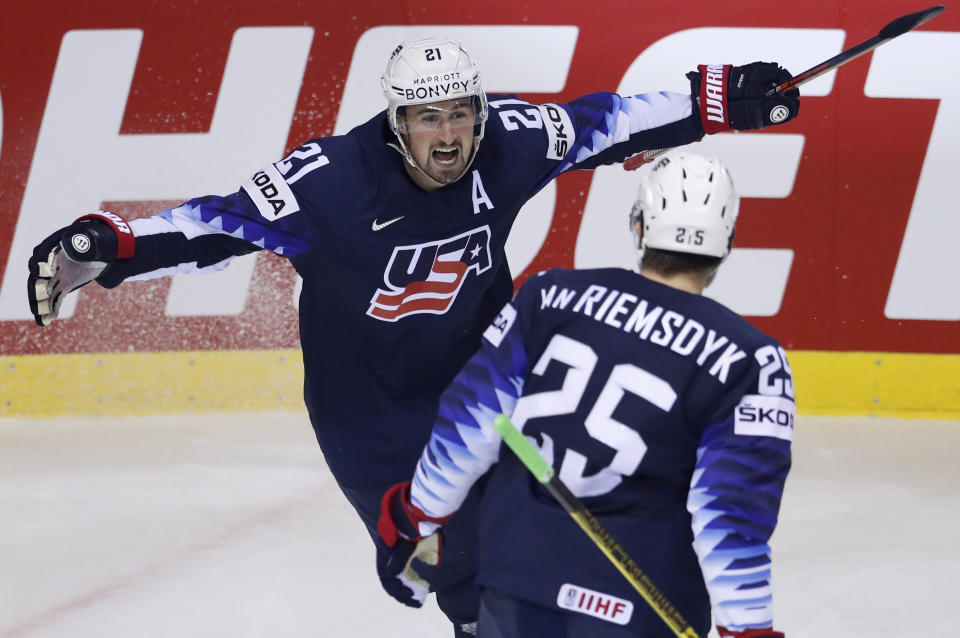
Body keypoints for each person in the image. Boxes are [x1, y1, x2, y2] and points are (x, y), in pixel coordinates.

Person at [26, 36, 799, 636]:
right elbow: (214, 223)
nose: (451, 133)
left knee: (530, 545)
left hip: (478, 385)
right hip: (368, 418)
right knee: (450, 569)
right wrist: (113, 245)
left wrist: (723, 97)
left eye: (462, 111)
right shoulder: (327, 181)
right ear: (397, 124)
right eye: (429, 117)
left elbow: (609, 120)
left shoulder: (510, 138)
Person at [377, 150, 794, 638]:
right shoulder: (752, 360)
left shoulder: (550, 296)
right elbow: (731, 517)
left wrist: (417, 519)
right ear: (727, 245)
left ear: (638, 227)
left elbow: (468, 421)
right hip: (635, 611)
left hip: (518, 579)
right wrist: (747, 631)